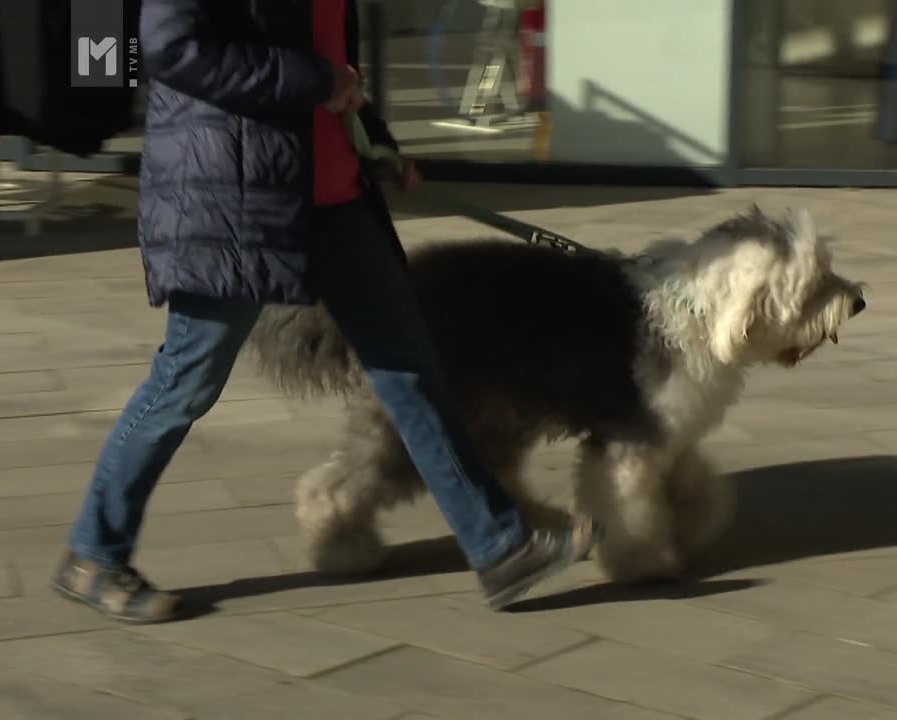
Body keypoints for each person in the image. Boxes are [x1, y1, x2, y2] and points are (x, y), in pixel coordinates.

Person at [51, 0, 596, 624]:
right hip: (235, 197)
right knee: (186, 379)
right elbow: (174, 47)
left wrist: (374, 138)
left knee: (409, 369)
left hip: (336, 197)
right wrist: (316, 79)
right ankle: (93, 553)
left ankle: (501, 546)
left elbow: (332, 61)